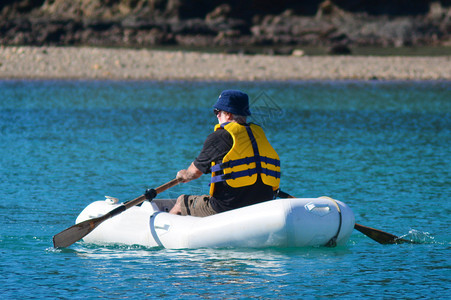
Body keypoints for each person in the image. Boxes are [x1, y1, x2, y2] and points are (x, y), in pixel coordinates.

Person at [169, 90, 281, 217]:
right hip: (262, 205)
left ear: (227, 114)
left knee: (180, 202)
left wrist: (182, 175)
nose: (216, 116)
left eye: (217, 112)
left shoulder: (220, 137)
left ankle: (163, 234)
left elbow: (193, 173)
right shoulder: (258, 135)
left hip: (227, 207)